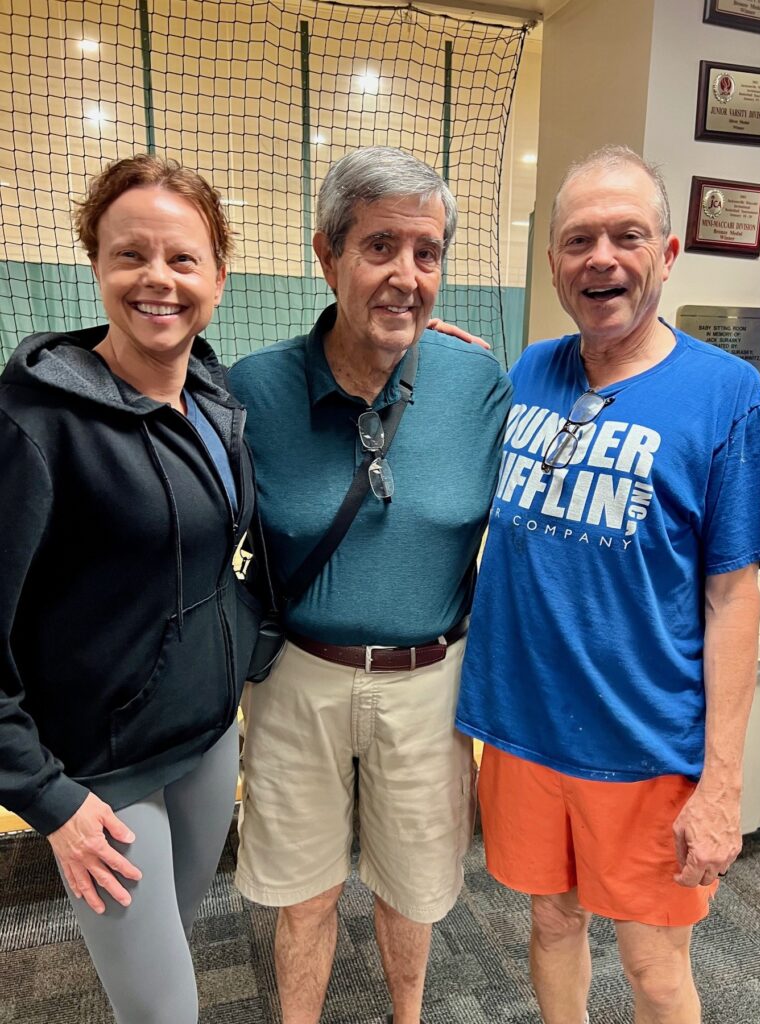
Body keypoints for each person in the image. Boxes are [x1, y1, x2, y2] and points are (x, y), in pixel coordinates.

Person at [455, 144, 760, 1024]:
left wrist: (722, 785)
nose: (600, 256)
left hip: (647, 748)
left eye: (626, 235)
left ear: (667, 255)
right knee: (551, 923)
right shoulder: (528, 372)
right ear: (558, 265)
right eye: (578, 240)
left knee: (653, 966)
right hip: (526, 732)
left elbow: (733, 598)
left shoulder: (727, 395)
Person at [229, 146, 512, 1024]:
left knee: (414, 890)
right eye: (380, 246)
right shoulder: (254, 391)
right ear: (328, 256)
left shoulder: (477, 383)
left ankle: (408, 1016)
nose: (406, 275)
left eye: (427, 254)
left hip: (431, 683)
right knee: (304, 893)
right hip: (297, 680)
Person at [0, 155, 268, 1023]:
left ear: (219, 277)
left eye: (183, 259)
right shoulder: (32, 426)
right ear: (97, 267)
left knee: (166, 968)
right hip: (102, 780)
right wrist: (49, 799)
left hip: (204, 745)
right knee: (166, 1013)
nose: (159, 278)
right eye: (131, 256)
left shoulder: (214, 399)